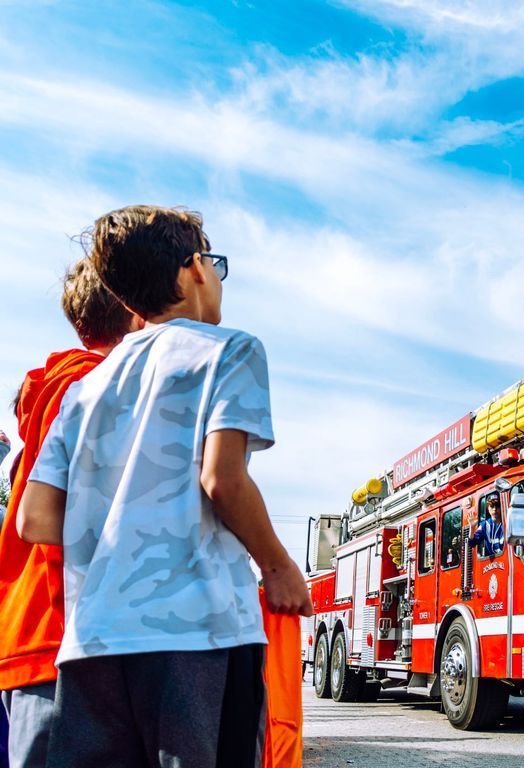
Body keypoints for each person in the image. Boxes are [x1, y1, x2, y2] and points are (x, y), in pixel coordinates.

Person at [18, 205, 312, 768]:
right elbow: (223, 479)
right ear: (194, 268)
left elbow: (34, 518)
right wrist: (277, 568)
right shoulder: (230, 350)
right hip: (200, 633)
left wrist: (116, 520)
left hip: (92, 641)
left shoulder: (85, 388)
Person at [0, 259, 138, 768]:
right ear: (135, 307)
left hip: (32, 630)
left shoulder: (51, 387)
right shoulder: (96, 388)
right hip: (69, 634)